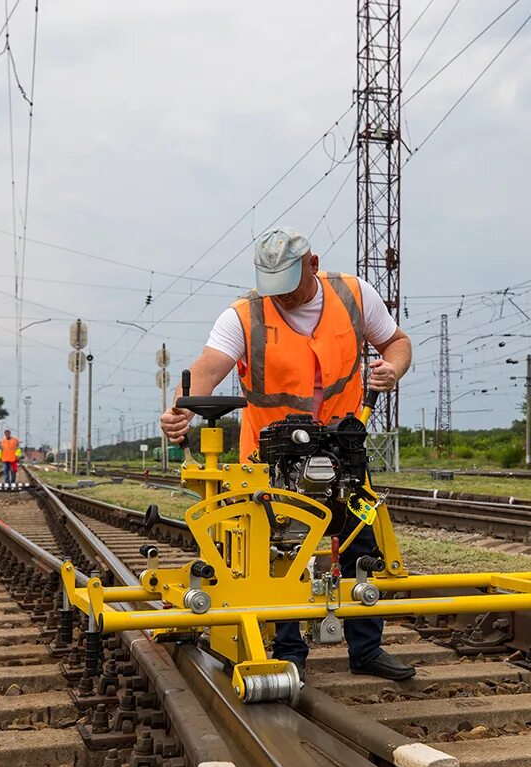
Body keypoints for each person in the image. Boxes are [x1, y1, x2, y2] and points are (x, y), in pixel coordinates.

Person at [161, 226, 415, 681]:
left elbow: (397, 342)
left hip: (341, 447)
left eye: (289, 288)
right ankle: (289, 649)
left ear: (313, 265)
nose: (281, 298)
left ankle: (367, 650)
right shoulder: (242, 316)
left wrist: (392, 368)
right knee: (275, 551)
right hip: (268, 455)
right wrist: (179, 408)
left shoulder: (356, 295)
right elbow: (207, 369)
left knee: (359, 541)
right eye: (271, 288)